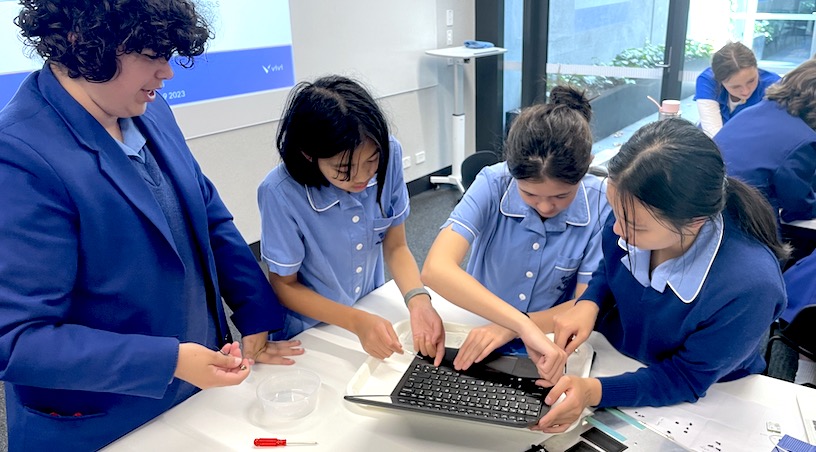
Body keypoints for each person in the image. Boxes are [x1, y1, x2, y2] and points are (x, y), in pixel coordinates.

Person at [0, 1, 303, 450]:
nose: (167, 73)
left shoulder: (149, 109)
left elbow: (207, 215)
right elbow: (18, 340)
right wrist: (168, 360)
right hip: (102, 419)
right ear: (82, 42)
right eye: (150, 55)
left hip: (192, 388)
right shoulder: (18, 156)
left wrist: (257, 310)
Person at [538, 118, 788, 433]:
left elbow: (685, 377)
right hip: (619, 358)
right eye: (614, 211)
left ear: (695, 222)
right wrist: (589, 301)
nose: (616, 229)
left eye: (633, 225)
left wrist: (593, 391)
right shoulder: (630, 214)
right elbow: (612, 268)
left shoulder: (750, 288)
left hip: (712, 397)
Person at [421, 86, 610, 376]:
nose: (545, 207)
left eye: (561, 196)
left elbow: (584, 303)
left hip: (548, 336)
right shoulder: (493, 182)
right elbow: (435, 269)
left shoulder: (600, 203)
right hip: (476, 322)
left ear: (586, 170)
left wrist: (517, 327)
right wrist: (517, 323)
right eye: (530, 195)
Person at [257, 76, 445, 364]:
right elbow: (284, 285)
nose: (361, 176)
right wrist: (356, 322)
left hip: (369, 308)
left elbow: (395, 246)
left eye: (371, 162)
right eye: (342, 169)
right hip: (311, 329)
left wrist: (418, 299)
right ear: (309, 155)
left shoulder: (389, 152)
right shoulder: (280, 192)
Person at [714, 58, 816, 224]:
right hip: (742, 221)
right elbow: (796, 206)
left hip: (709, 207)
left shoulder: (756, 110)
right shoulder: (803, 140)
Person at [695, 42, 780, 137]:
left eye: (751, 81)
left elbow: (771, 133)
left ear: (756, 68)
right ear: (720, 81)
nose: (746, 91)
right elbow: (714, 135)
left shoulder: (774, 85)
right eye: (735, 86)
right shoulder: (707, 80)